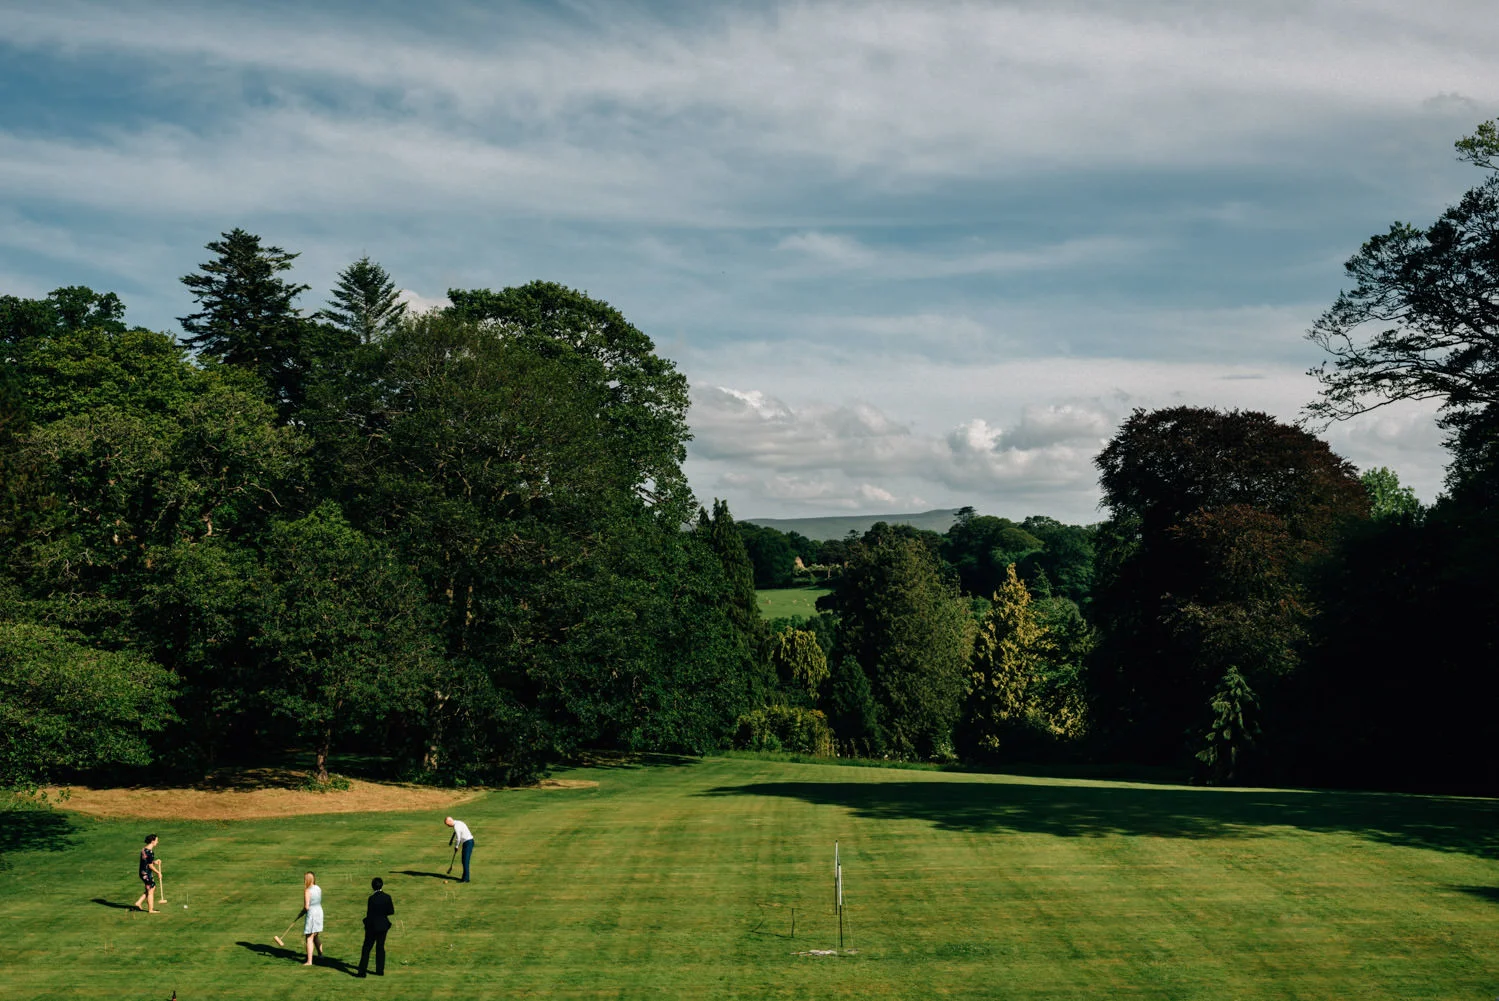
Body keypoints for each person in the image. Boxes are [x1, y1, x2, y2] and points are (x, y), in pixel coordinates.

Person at [357, 877, 395, 977]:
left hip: (372, 926)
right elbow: (391, 911)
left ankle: (362, 971)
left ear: (372, 887)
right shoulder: (387, 897)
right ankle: (380, 970)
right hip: (383, 925)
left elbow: (369, 913)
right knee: (380, 947)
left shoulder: (371, 898)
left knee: (367, 948)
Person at [133, 834, 162, 913]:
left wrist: (154, 861)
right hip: (146, 873)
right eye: (156, 840)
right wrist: (158, 872)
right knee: (151, 890)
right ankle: (150, 910)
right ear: (152, 841)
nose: (157, 842)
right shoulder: (150, 852)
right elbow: (150, 866)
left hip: (143, 872)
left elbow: (147, 861)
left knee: (152, 887)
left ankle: (138, 902)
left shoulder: (144, 849)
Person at [300, 872, 324, 966]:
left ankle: (309, 961)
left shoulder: (307, 891)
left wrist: (301, 913)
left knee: (309, 937)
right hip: (319, 912)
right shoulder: (318, 888)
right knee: (315, 935)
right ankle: (320, 955)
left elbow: (306, 907)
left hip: (312, 914)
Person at [445, 816, 474, 883]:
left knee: (465, 861)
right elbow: (456, 833)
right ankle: (464, 877)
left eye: (447, 824)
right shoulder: (458, 822)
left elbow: (458, 838)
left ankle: (466, 879)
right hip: (468, 842)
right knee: (464, 861)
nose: (448, 826)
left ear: (450, 821)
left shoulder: (456, 826)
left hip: (468, 842)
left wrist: (456, 846)